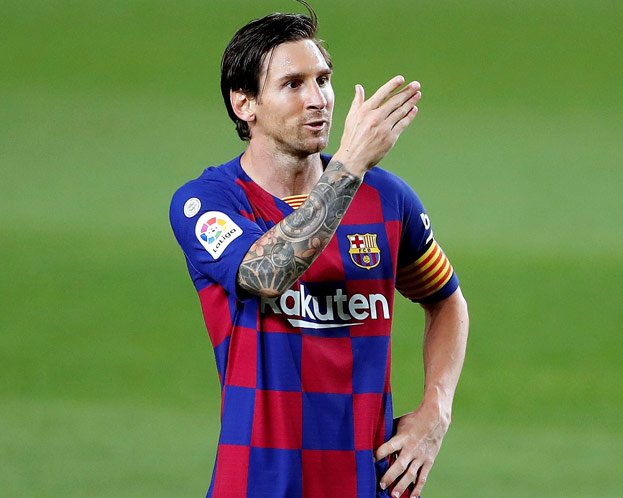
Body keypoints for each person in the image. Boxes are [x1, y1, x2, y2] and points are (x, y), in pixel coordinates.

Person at [168, 8, 469, 498]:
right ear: (244, 103)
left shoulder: (386, 199)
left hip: (368, 484)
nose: (318, 99)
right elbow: (266, 273)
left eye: (323, 80)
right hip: (259, 484)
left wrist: (435, 411)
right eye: (292, 84)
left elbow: (447, 301)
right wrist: (348, 167)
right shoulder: (209, 203)